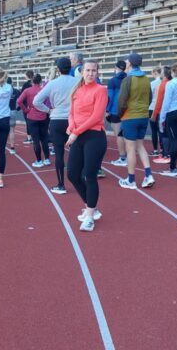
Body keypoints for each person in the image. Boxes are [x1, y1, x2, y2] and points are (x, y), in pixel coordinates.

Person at [65, 60, 108, 232]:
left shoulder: (100, 91)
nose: (90, 73)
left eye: (94, 70)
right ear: (82, 72)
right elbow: (71, 112)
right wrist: (71, 126)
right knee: (73, 174)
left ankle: (90, 215)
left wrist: (76, 132)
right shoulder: (77, 90)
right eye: (88, 70)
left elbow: (97, 117)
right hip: (79, 135)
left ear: (97, 73)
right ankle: (92, 206)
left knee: (90, 175)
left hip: (94, 136)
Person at [34, 57, 79, 194]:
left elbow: (36, 101)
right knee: (78, 152)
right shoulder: (78, 81)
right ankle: (80, 180)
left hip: (57, 120)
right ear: (70, 67)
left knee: (59, 153)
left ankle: (61, 184)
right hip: (74, 120)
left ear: (58, 69)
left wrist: (48, 110)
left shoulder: (52, 83)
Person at [117, 52, 154, 189]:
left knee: (130, 148)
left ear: (130, 64)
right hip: (143, 116)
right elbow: (150, 98)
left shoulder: (128, 79)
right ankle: (148, 174)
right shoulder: (146, 79)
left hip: (130, 116)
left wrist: (120, 115)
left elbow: (122, 101)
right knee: (140, 146)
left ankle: (131, 180)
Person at [18, 74, 50, 167]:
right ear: (40, 82)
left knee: (36, 140)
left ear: (32, 81)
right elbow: (49, 101)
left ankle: (39, 161)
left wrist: (26, 110)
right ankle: (47, 159)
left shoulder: (27, 90)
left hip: (32, 116)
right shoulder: (44, 90)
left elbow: (19, 101)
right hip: (43, 115)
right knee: (44, 138)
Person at [107, 60, 127, 166]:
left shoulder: (113, 80)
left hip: (115, 111)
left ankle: (123, 158)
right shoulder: (128, 78)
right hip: (127, 110)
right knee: (125, 134)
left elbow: (110, 97)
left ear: (116, 67)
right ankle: (127, 155)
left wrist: (107, 110)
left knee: (119, 135)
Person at [151, 66, 173, 164]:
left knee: (162, 133)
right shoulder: (172, 83)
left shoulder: (162, 84)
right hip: (172, 111)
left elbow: (159, 101)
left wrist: (154, 114)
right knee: (169, 133)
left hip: (162, 111)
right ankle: (169, 153)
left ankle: (165, 154)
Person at [148, 67, 163, 156]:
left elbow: (149, 96)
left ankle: (155, 150)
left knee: (154, 130)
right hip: (161, 108)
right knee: (161, 129)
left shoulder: (152, 83)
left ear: (155, 72)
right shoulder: (163, 82)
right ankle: (162, 149)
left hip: (152, 107)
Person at [20, 70, 35, 145]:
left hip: (27, 106)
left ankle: (29, 138)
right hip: (35, 105)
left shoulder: (26, 84)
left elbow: (21, 96)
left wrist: (21, 107)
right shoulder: (35, 83)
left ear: (27, 75)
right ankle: (35, 137)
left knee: (28, 122)